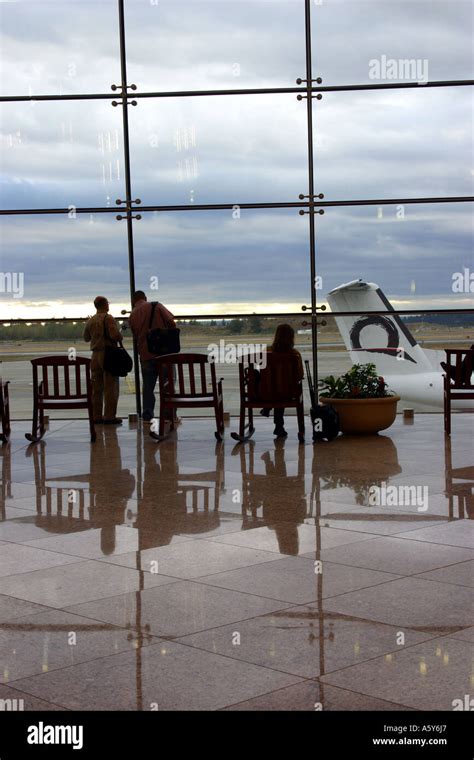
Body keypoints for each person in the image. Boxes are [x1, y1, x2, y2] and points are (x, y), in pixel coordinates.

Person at [129, 290, 176, 421]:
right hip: (164, 354)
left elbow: (135, 335)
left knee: (148, 387)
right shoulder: (156, 306)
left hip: (145, 355)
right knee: (168, 383)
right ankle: (168, 414)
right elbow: (172, 323)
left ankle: (147, 413)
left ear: (133, 301)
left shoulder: (132, 315)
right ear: (145, 297)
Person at [260, 323, 304, 438]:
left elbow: (262, 372)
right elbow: (300, 375)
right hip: (287, 393)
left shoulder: (266, 352)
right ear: (291, 337)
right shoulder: (295, 354)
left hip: (268, 392)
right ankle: (279, 427)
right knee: (282, 388)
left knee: (275, 387)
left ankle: (268, 408)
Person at [83, 296, 122, 425]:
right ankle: (109, 416)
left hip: (95, 355)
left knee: (96, 388)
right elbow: (115, 335)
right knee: (110, 387)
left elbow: (86, 338)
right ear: (105, 304)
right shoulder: (108, 318)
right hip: (108, 354)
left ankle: (96, 416)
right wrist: (120, 334)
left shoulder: (91, 321)